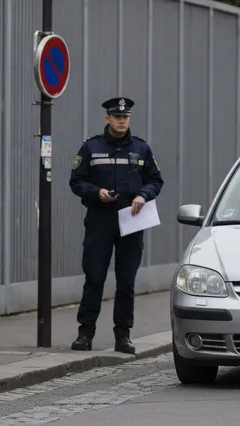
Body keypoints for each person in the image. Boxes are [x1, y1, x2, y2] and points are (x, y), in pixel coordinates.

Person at [68, 97, 164, 354]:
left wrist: (143, 195)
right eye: (117, 117)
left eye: (125, 117)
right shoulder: (91, 148)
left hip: (131, 220)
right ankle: (85, 334)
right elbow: (76, 181)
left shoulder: (141, 148)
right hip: (100, 220)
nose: (122, 121)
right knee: (94, 278)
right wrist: (96, 192)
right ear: (107, 118)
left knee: (126, 282)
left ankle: (123, 336)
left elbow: (156, 181)